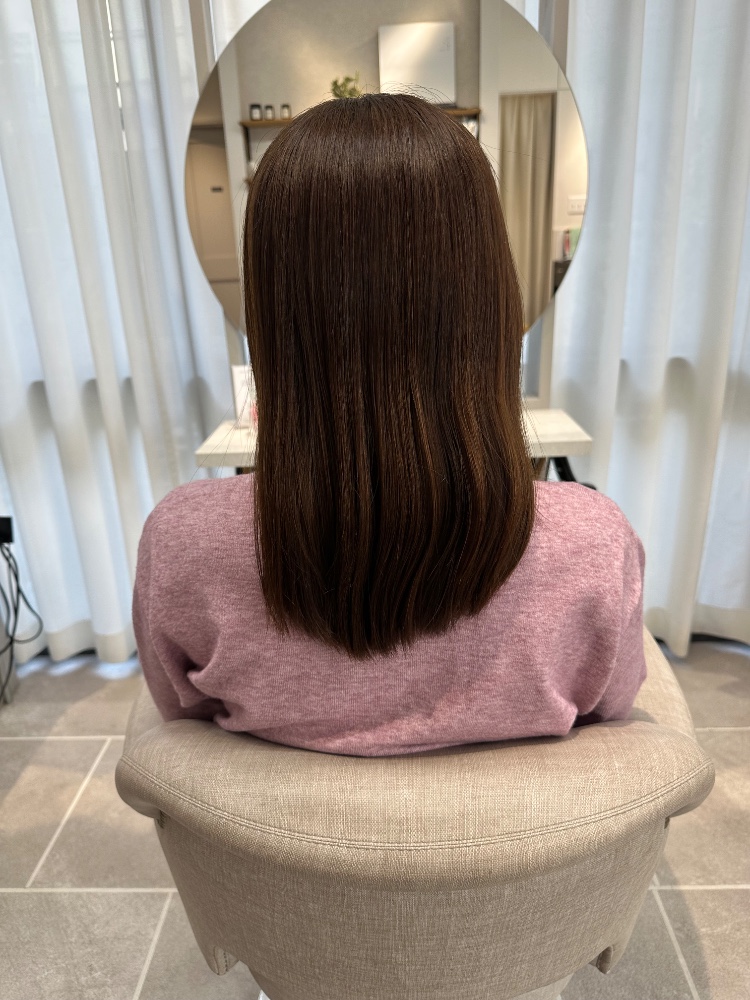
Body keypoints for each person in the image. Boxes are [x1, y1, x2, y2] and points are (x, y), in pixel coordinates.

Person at [133, 93, 646, 756]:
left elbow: (182, 715)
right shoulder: (593, 544)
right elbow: (613, 704)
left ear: (274, 302)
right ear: (487, 290)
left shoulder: (184, 543)